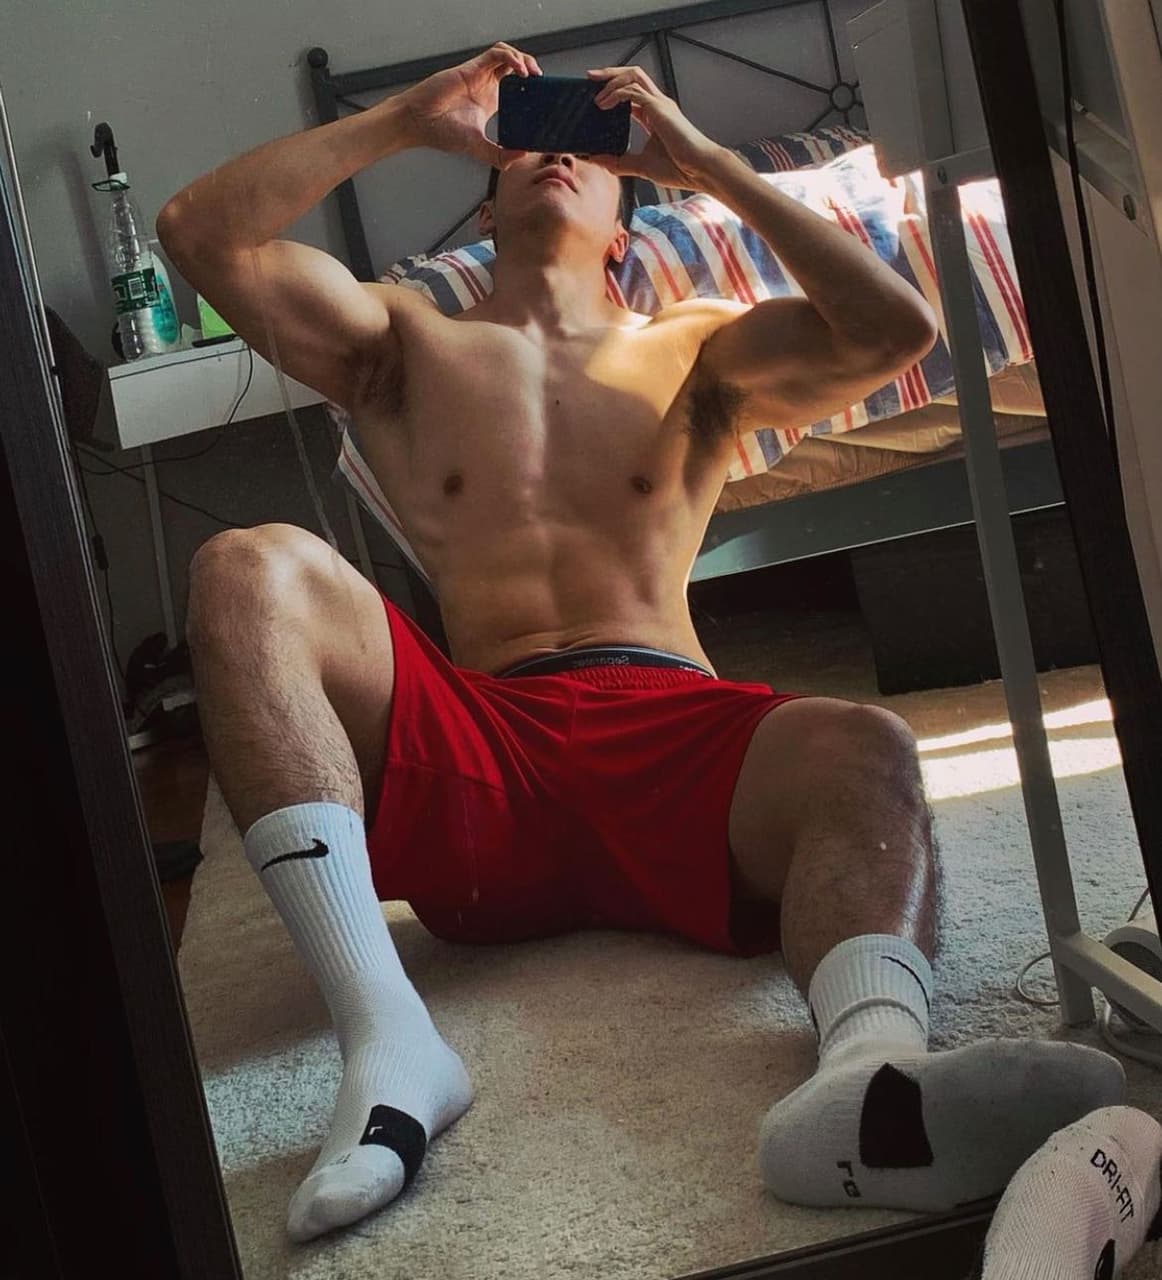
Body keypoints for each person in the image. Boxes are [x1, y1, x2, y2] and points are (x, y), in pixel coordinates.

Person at [156, 41, 1125, 1245]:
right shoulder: (402, 340)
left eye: (592, 147)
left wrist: (707, 165)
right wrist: (406, 118)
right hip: (485, 741)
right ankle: (387, 1041)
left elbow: (899, 325)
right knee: (244, 564)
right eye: (529, 143)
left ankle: (862, 1080)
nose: (558, 153)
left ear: (626, 225)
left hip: (674, 728)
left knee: (864, 745)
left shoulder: (700, 349)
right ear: (485, 206)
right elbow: (198, 233)